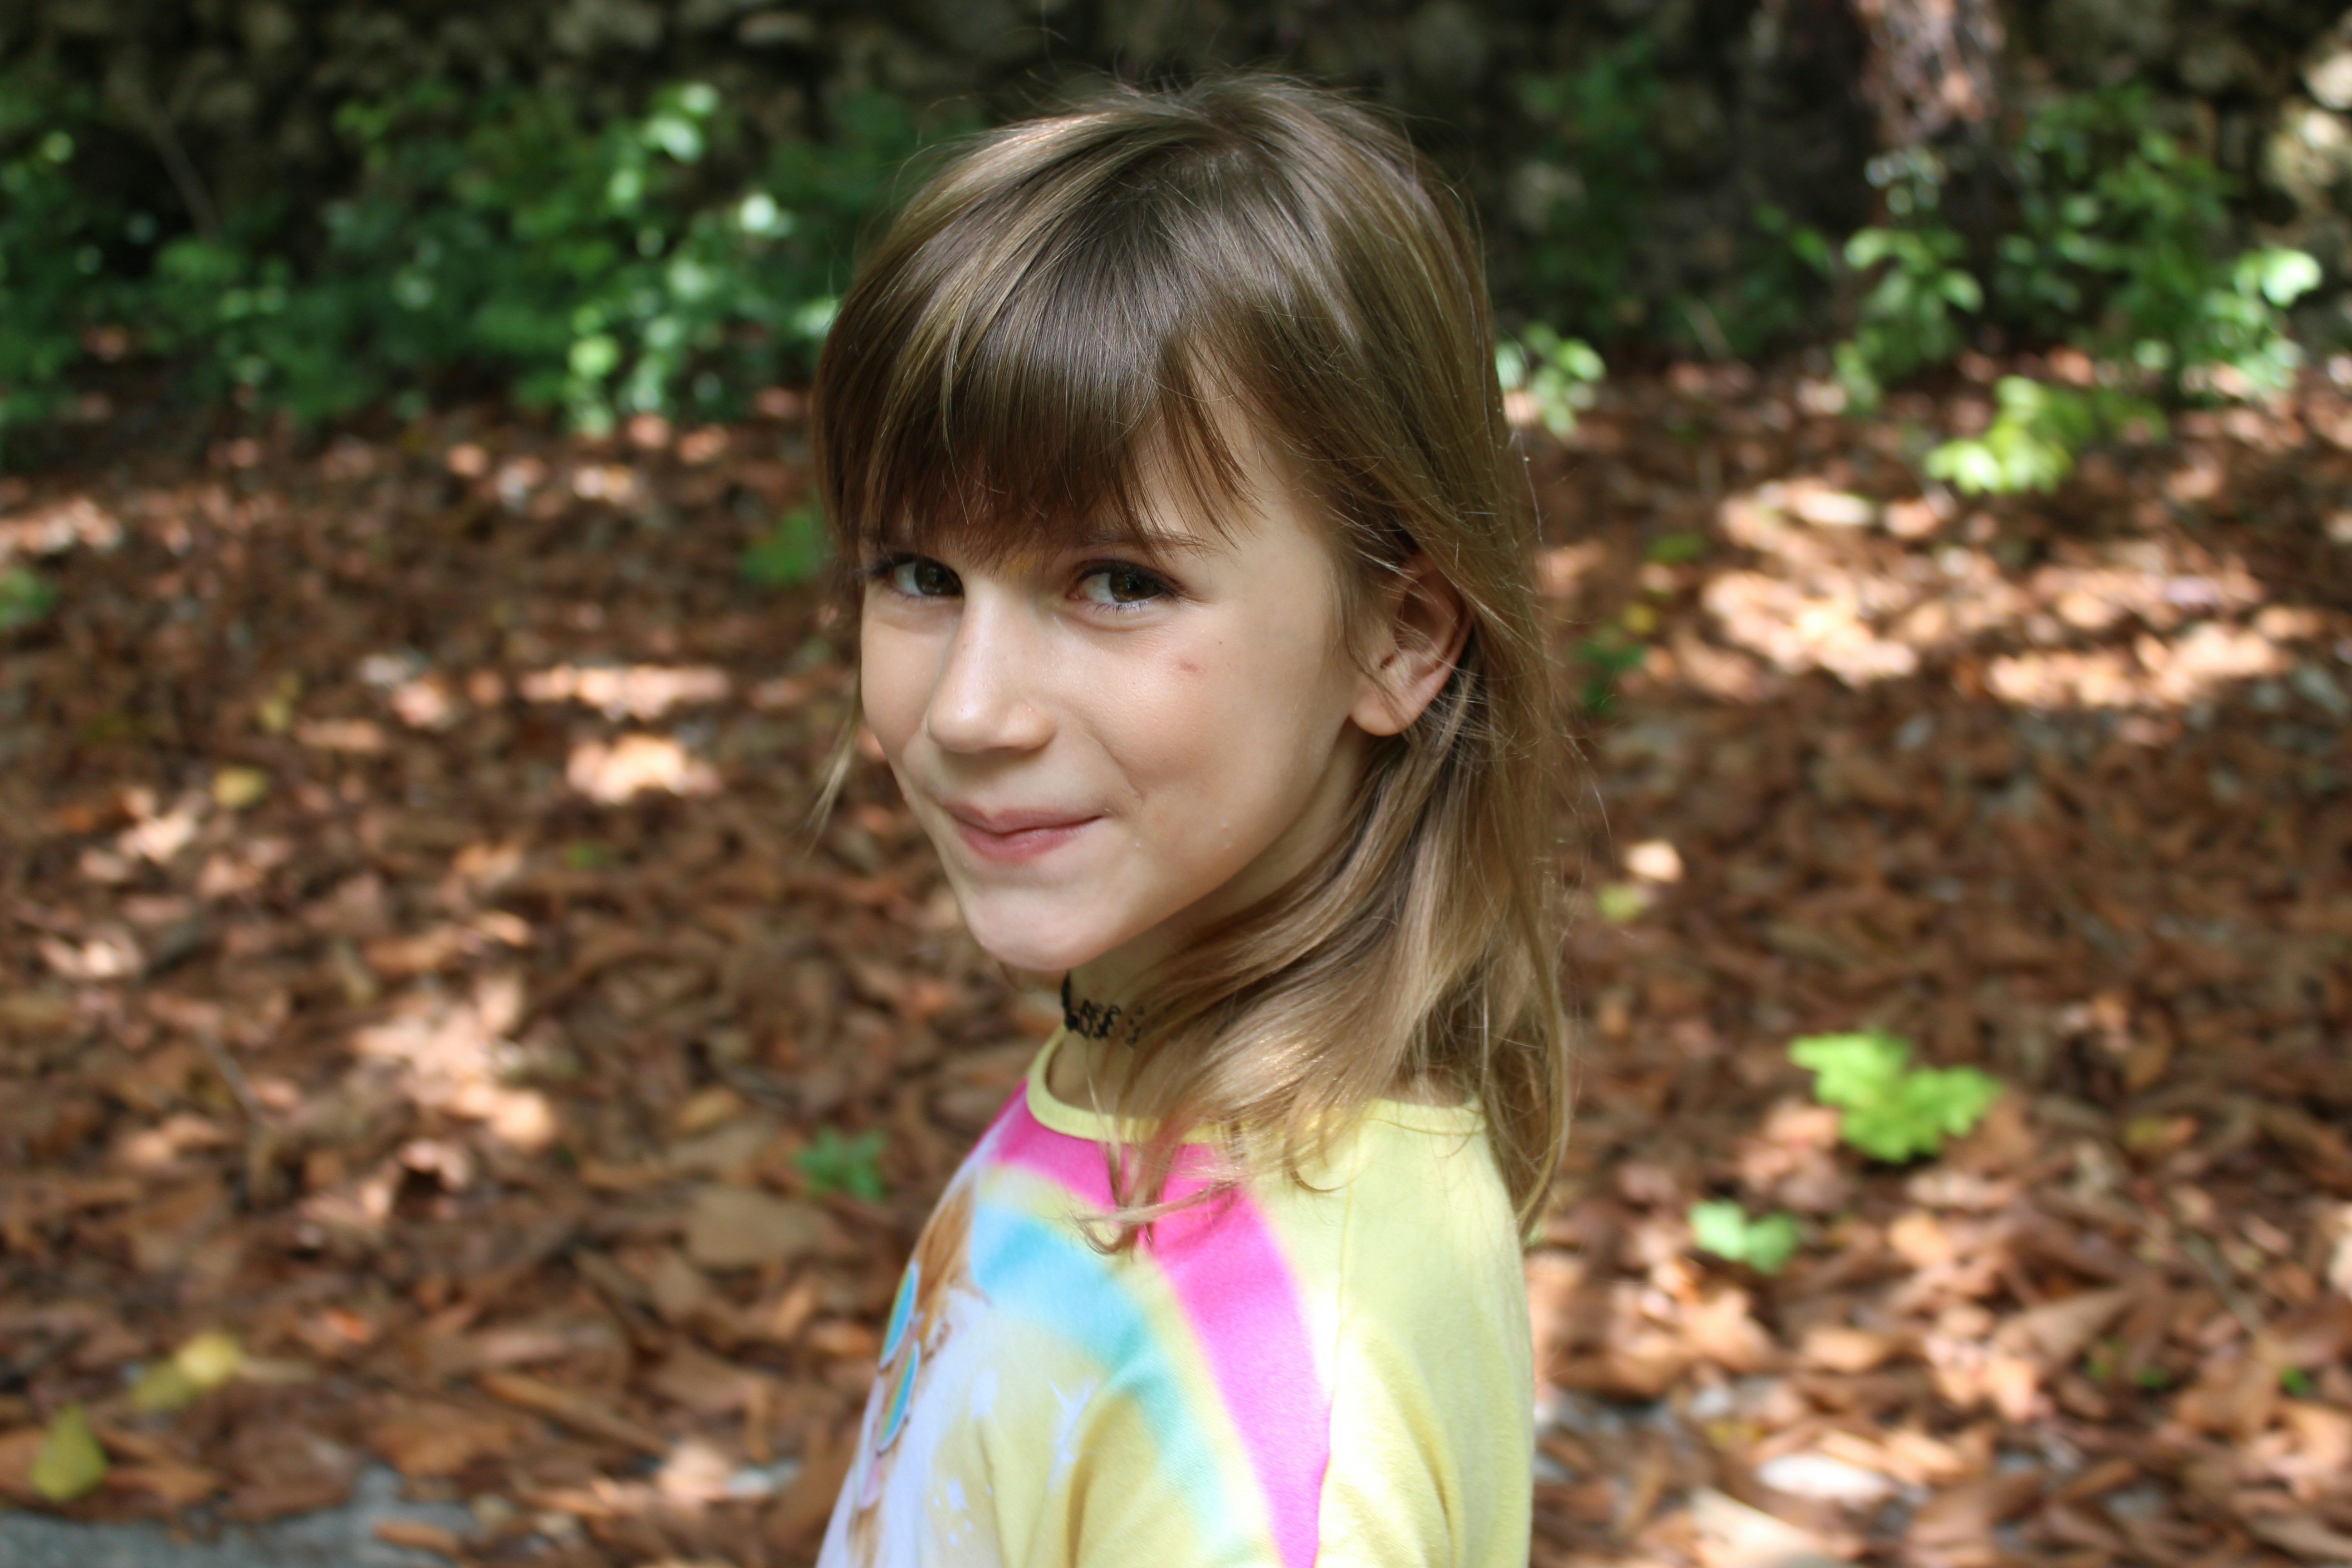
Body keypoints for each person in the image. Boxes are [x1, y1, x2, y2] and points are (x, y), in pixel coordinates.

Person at [805, 73, 1571, 1568]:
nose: (969, 710)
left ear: (1397, 638)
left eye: (1116, 582)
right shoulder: (1141, 1083)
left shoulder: (1275, 1399)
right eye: (916, 573)